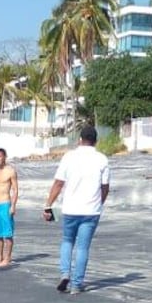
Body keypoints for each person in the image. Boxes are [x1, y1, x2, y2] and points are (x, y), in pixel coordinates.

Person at [42, 125, 110, 294]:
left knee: (67, 241)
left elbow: (59, 183)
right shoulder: (102, 159)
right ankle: (77, 285)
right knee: (82, 247)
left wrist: (48, 205)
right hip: (91, 210)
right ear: (96, 141)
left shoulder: (69, 157)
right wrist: (99, 203)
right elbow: (105, 187)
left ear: (80, 140)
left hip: (70, 209)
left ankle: (65, 273)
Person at [0, 147, 19, 266]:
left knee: (7, 234)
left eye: (0, 156)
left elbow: (15, 190)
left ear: (5, 156)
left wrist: (13, 206)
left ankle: (7, 258)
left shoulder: (11, 171)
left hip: (6, 204)